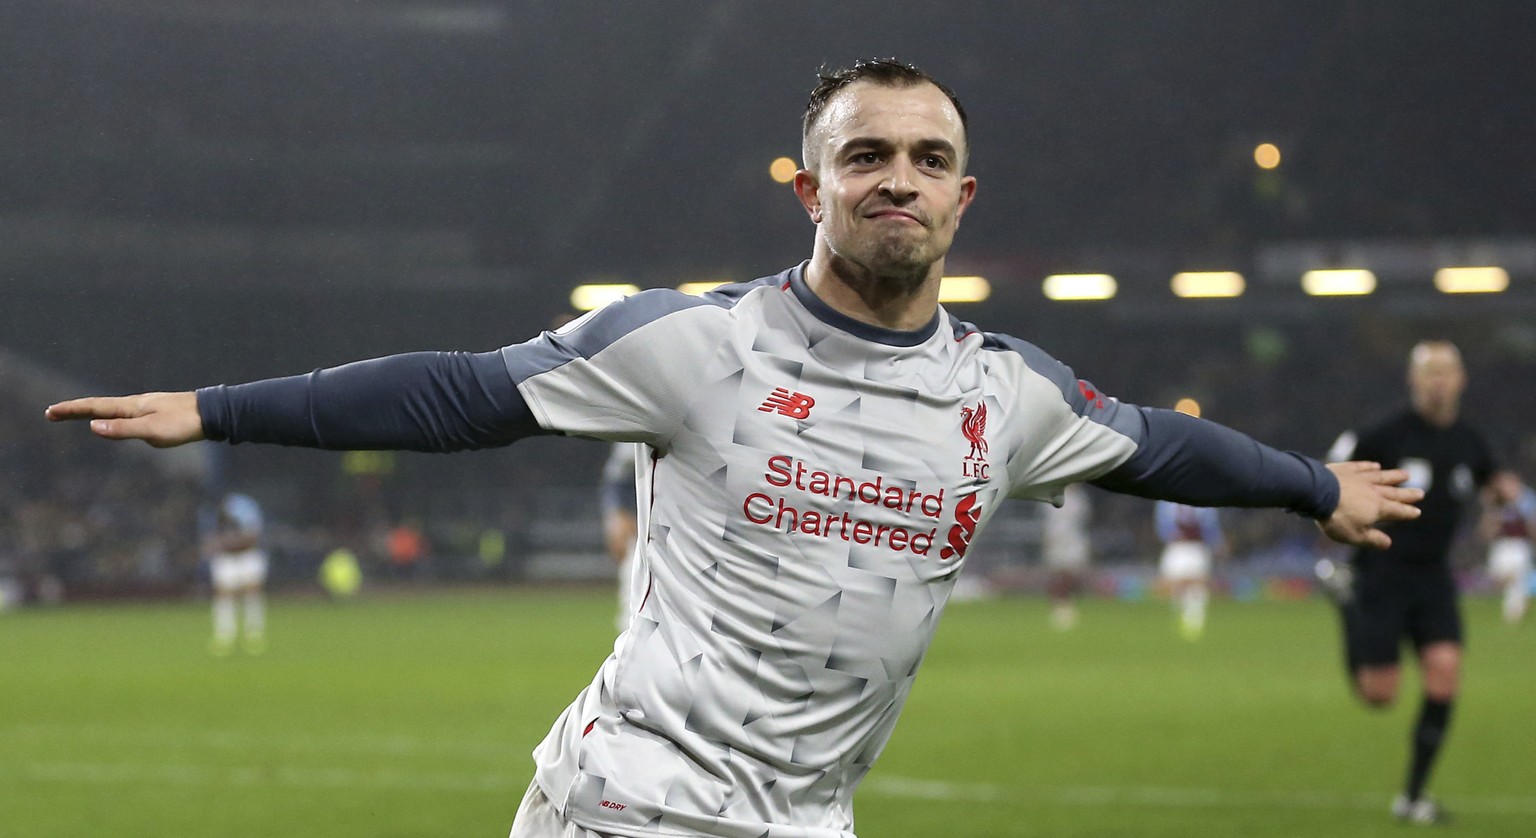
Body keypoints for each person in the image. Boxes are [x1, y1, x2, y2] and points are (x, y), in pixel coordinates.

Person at [47, 59, 1420, 838]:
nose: (898, 178)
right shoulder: (693, 344)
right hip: (631, 801)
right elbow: (457, 393)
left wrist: (1314, 488)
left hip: (812, 818)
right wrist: (218, 408)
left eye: (927, 157)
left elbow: (1161, 447)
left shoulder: (1009, 393)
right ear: (810, 186)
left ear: (962, 194)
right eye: (865, 154)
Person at [1322, 340, 1496, 825]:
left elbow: (1492, 485)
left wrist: (1503, 502)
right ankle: (1344, 604)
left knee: (1444, 673)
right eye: (1429, 373)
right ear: (1414, 380)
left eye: (1446, 372)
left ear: (1460, 379)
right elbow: (1332, 470)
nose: (1438, 381)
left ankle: (1413, 798)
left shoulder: (1472, 442)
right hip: (1381, 569)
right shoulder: (1382, 434)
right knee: (1380, 695)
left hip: (1435, 575)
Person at [204, 492, 269, 656]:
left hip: (247, 555)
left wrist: (229, 543)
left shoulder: (244, 509)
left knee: (252, 593)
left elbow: (252, 536)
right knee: (223, 596)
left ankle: (253, 635)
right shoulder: (211, 514)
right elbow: (211, 539)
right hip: (226, 558)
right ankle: (224, 636)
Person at [1154, 499, 1227, 640]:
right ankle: (1176, 623)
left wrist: (1216, 543)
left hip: (1197, 546)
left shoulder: (1204, 499)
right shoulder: (1165, 501)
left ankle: (1194, 625)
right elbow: (1161, 524)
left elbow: (1211, 526)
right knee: (1173, 585)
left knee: (1197, 588)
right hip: (1176, 546)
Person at [600, 441, 644, 632]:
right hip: (644, 531)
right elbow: (618, 476)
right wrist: (616, 514)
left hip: (693, 529)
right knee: (633, 606)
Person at [1480, 471, 1534, 625]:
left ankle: (1513, 616)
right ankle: (1520, 605)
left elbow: (1531, 523)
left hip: (1520, 544)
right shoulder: (1496, 502)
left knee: (1517, 583)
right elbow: (1487, 527)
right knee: (1499, 574)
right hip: (1501, 544)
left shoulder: (1526, 500)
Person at [1040, 482, 1092, 630]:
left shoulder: (1079, 497)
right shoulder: (1052, 494)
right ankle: (1059, 605)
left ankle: (1069, 602)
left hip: (1074, 538)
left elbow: (1084, 517)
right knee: (1057, 573)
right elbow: (1048, 520)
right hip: (1056, 538)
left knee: (1073, 571)